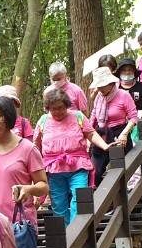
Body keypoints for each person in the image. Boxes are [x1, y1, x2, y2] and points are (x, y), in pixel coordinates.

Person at [34, 87, 112, 225]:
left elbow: (91, 133)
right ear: (48, 108)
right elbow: (36, 144)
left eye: (60, 108)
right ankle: (66, 236)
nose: (57, 111)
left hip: (78, 166)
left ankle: (77, 232)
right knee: (58, 204)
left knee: (79, 198)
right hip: (53, 168)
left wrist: (105, 146)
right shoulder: (43, 120)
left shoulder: (78, 116)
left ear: (66, 105)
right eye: (53, 109)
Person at [0, 97, 48, 230]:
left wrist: (28, 189)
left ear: (8, 116)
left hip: (20, 224)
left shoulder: (27, 149)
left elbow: (43, 186)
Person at [88, 67, 139, 185]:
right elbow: (94, 115)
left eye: (102, 85)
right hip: (102, 134)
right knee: (95, 171)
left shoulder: (123, 95)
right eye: (98, 86)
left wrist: (125, 134)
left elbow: (133, 117)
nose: (99, 89)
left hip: (119, 132)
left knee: (124, 168)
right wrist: (88, 136)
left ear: (111, 83)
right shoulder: (99, 97)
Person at [115, 58, 142, 143]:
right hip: (120, 122)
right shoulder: (115, 88)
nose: (127, 72)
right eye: (124, 70)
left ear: (134, 72)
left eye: (130, 70)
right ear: (120, 72)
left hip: (140, 120)